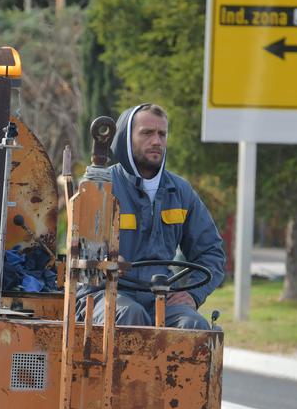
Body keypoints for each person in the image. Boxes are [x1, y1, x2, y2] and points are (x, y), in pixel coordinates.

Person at [77, 103, 226, 329]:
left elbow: (211, 253)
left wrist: (193, 295)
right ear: (126, 137)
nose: (157, 141)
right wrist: (108, 265)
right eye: (147, 133)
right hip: (102, 294)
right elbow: (83, 258)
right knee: (131, 316)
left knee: (194, 326)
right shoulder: (100, 187)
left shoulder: (180, 192)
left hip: (159, 296)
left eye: (162, 134)